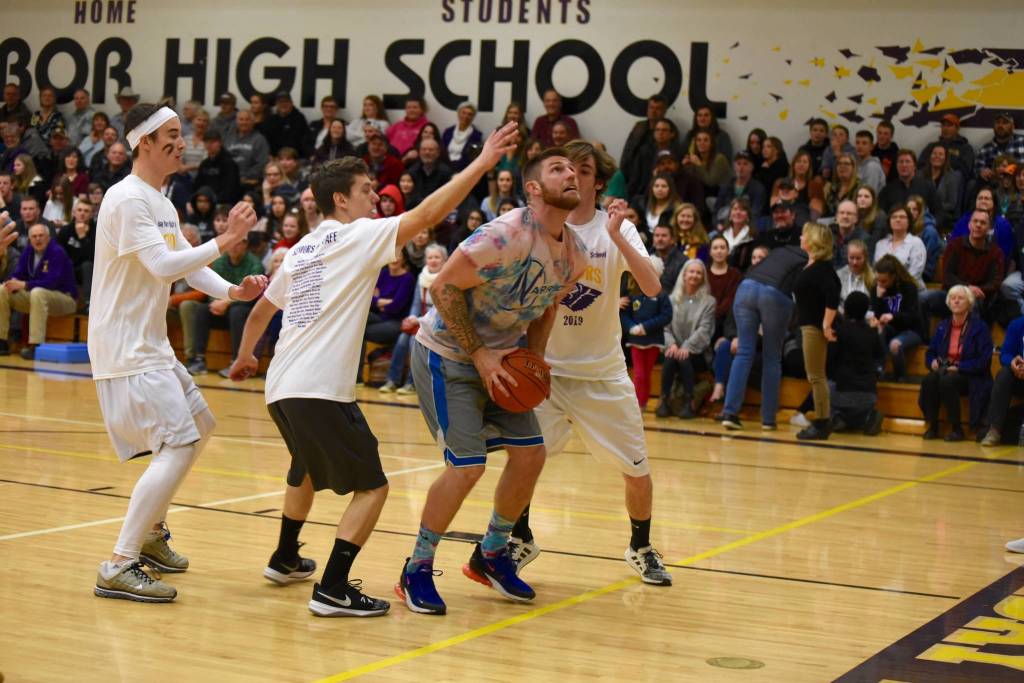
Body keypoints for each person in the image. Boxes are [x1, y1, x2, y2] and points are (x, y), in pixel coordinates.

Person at [226, 123, 522, 617]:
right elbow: (429, 212)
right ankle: (333, 588)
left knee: (303, 470)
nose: (374, 200)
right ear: (341, 200)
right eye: (366, 191)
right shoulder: (357, 235)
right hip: (320, 389)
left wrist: (244, 356)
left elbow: (261, 310)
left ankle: (284, 556)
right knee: (374, 487)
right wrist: (483, 163)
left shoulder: (300, 249)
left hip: (280, 387)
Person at [396, 144, 590, 615]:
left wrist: (535, 361)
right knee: (467, 464)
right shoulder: (503, 236)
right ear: (532, 187)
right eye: (557, 168)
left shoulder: (575, 254)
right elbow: (442, 287)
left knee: (531, 455)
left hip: (504, 359)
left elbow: (546, 306)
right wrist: (480, 355)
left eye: (574, 170)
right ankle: (416, 568)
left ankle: (491, 554)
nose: (571, 175)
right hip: (447, 355)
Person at [88, 103, 266, 602]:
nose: (180, 140)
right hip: (125, 344)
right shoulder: (126, 200)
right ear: (143, 141)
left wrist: (232, 291)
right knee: (179, 444)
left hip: (150, 344)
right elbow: (165, 264)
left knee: (200, 425)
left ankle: (149, 533)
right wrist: (226, 238)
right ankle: (120, 562)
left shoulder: (161, 202)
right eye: (170, 134)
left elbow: (186, 269)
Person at [503, 140, 668, 586]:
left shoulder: (615, 228)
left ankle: (641, 546)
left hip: (602, 374)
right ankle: (518, 538)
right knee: (523, 462)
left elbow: (652, 288)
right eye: (567, 169)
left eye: (585, 170)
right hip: (546, 373)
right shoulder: (538, 228)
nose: (575, 176)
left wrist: (616, 236)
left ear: (599, 180)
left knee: (636, 469)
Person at [720, 242, 807, 430]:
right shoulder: (810, 258)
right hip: (774, 294)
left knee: (743, 352)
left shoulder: (780, 250)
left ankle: (729, 413)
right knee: (772, 357)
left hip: (745, 288)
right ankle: (768, 419)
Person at [919, 285, 993, 442]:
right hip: (946, 370)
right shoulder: (943, 326)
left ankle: (956, 428)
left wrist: (959, 367)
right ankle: (933, 426)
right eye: (953, 298)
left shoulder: (980, 327)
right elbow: (930, 351)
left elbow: (984, 360)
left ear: (969, 303)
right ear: (948, 303)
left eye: (961, 298)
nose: (956, 301)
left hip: (971, 375)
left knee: (947, 381)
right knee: (929, 380)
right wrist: (931, 362)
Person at [186, 235, 266, 377]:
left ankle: (236, 360)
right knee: (202, 310)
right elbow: (211, 286)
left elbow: (253, 294)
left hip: (244, 309)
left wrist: (226, 302)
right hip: (223, 308)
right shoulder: (221, 261)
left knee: (237, 311)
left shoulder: (255, 263)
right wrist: (217, 303)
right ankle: (199, 360)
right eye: (231, 243)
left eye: (238, 243)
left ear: (245, 245)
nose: (233, 247)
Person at [0, 222, 78, 358]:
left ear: (48, 237)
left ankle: (36, 345)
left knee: (38, 291)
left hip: (66, 299)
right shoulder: (28, 251)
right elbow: (18, 274)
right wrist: (11, 282)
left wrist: (24, 285)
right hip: (39, 299)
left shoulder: (57, 252)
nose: (38, 239)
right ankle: (2, 342)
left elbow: (51, 282)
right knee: (2, 290)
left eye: (41, 235)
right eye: (34, 236)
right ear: (30, 239)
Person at [793, 223, 840, 440]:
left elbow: (833, 296)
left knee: (816, 377)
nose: (801, 236)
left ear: (814, 240)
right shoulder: (813, 265)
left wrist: (826, 325)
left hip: (814, 327)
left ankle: (821, 422)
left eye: (805, 234)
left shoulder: (822, 268)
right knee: (815, 376)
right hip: (807, 325)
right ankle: (821, 421)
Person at [380, 243, 448, 394]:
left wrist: (417, 321)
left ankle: (412, 383)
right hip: (421, 320)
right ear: (426, 260)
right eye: (430, 257)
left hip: (440, 322)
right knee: (402, 339)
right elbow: (416, 304)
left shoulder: (447, 279)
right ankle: (392, 380)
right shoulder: (422, 278)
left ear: (444, 260)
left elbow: (440, 310)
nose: (433, 260)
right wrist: (411, 317)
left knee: (414, 341)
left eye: (437, 257)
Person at [656, 258, 715, 418]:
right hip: (673, 349)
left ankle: (690, 402)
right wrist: (672, 345)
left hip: (697, 352)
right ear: (684, 275)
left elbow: (705, 330)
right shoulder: (670, 299)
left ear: (703, 277)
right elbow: (664, 326)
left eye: (698, 272)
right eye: (691, 271)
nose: (694, 275)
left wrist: (687, 347)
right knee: (670, 357)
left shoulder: (709, 302)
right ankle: (664, 400)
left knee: (683, 358)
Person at [829, 291, 886, 435]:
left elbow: (830, 361)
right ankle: (867, 418)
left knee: (823, 383)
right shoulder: (871, 333)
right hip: (869, 394)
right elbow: (880, 356)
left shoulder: (840, 332)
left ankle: (837, 417)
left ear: (846, 308)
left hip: (843, 392)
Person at [622, 261, 672, 410]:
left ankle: (642, 403)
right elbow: (624, 313)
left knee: (646, 374)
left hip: (653, 341)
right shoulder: (632, 293)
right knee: (639, 374)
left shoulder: (662, 295)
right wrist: (631, 327)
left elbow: (666, 315)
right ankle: (636, 405)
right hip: (635, 341)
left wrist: (645, 327)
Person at [873, 203, 926, 289]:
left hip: (910, 290)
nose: (898, 219)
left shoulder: (916, 243)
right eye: (894, 217)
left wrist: (893, 286)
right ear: (889, 221)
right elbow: (875, 270)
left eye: (902, 217)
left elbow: (915, 273)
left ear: (909, 221)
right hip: (883, 289)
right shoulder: (880, 244)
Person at [975, 112, 1024, 185]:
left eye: (1005, 123)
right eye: (998, 123)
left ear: (1013, 126)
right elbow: (977, 170)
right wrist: (982, 172)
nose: (1000, 125)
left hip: (1019, 183)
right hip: (995, 186)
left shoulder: (1022, 142)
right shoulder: (985, 149)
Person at [442, 101, 483, 172]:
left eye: (470, 114)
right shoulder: (448, 132)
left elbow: (472, 158)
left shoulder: (476, 135)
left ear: (473, 117)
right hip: (445, 169)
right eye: (463, 113)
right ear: (458, 113)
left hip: (464, 170)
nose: (466, 116)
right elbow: (442, 151)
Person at [836, 238, 873, 309]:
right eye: (851, 258)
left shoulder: (872, 277)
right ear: (847, 256)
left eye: (858, 258)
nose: (854, 262)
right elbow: (835, 302)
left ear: (865, 257)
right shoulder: (839, 275)